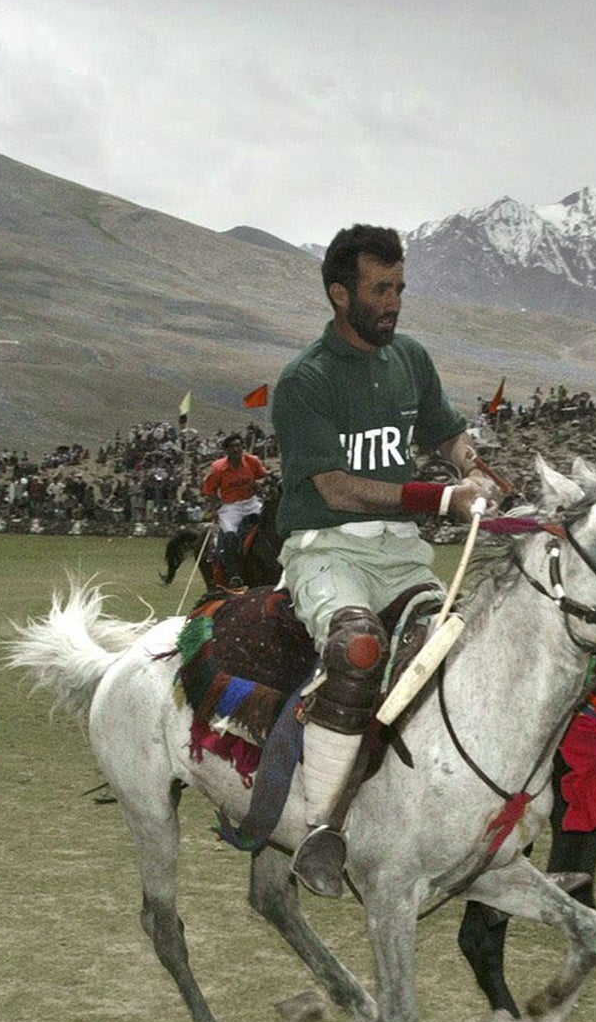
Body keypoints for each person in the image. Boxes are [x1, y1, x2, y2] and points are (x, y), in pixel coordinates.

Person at [271, 224, 498, 896]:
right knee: (359, 648)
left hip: (401, 555)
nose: (394, 302)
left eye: (400, 287)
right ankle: (321, 827)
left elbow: (447, 435)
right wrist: (442, 496)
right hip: (327, 550)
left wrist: (475, 468)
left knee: (459, 646)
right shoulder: (302, 382)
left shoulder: (411, 359)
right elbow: (335, 488)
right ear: (341, 295)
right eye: (381, 289)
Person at [200, 432, 268, 586]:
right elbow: (209, 490)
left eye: (239, 446)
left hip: (251, 503)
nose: (237, 449)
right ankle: (234, 574)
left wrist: (261, 485)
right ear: (226, 450)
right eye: (233, 447)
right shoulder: (218, 468)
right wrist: (217, 503)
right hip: (231, 507)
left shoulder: (252, 461)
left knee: (271, 523)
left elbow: (263, 476)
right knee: (230, 535)